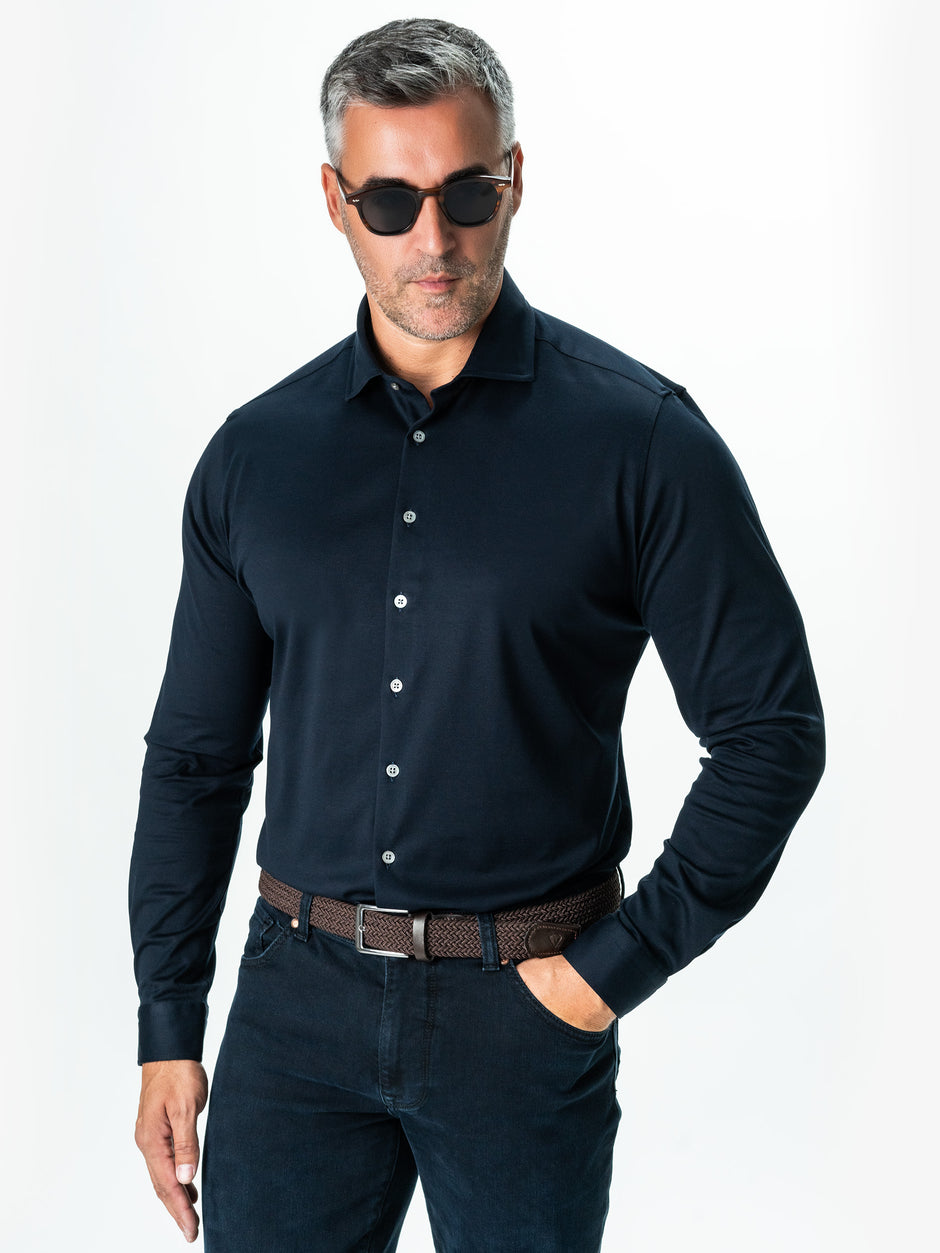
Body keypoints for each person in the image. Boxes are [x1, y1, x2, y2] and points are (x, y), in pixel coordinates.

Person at [130, 17, 825, 1252]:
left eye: (465, 192)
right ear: (334, 201)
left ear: (514, 178)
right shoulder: (255, 457)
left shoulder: (642, 443)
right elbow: (195, 756)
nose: (432, 239)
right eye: (390, 201)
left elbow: (770, 733)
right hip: (293, 1011)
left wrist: (610, 968)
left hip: (525, 1016)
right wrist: (167, 1022)